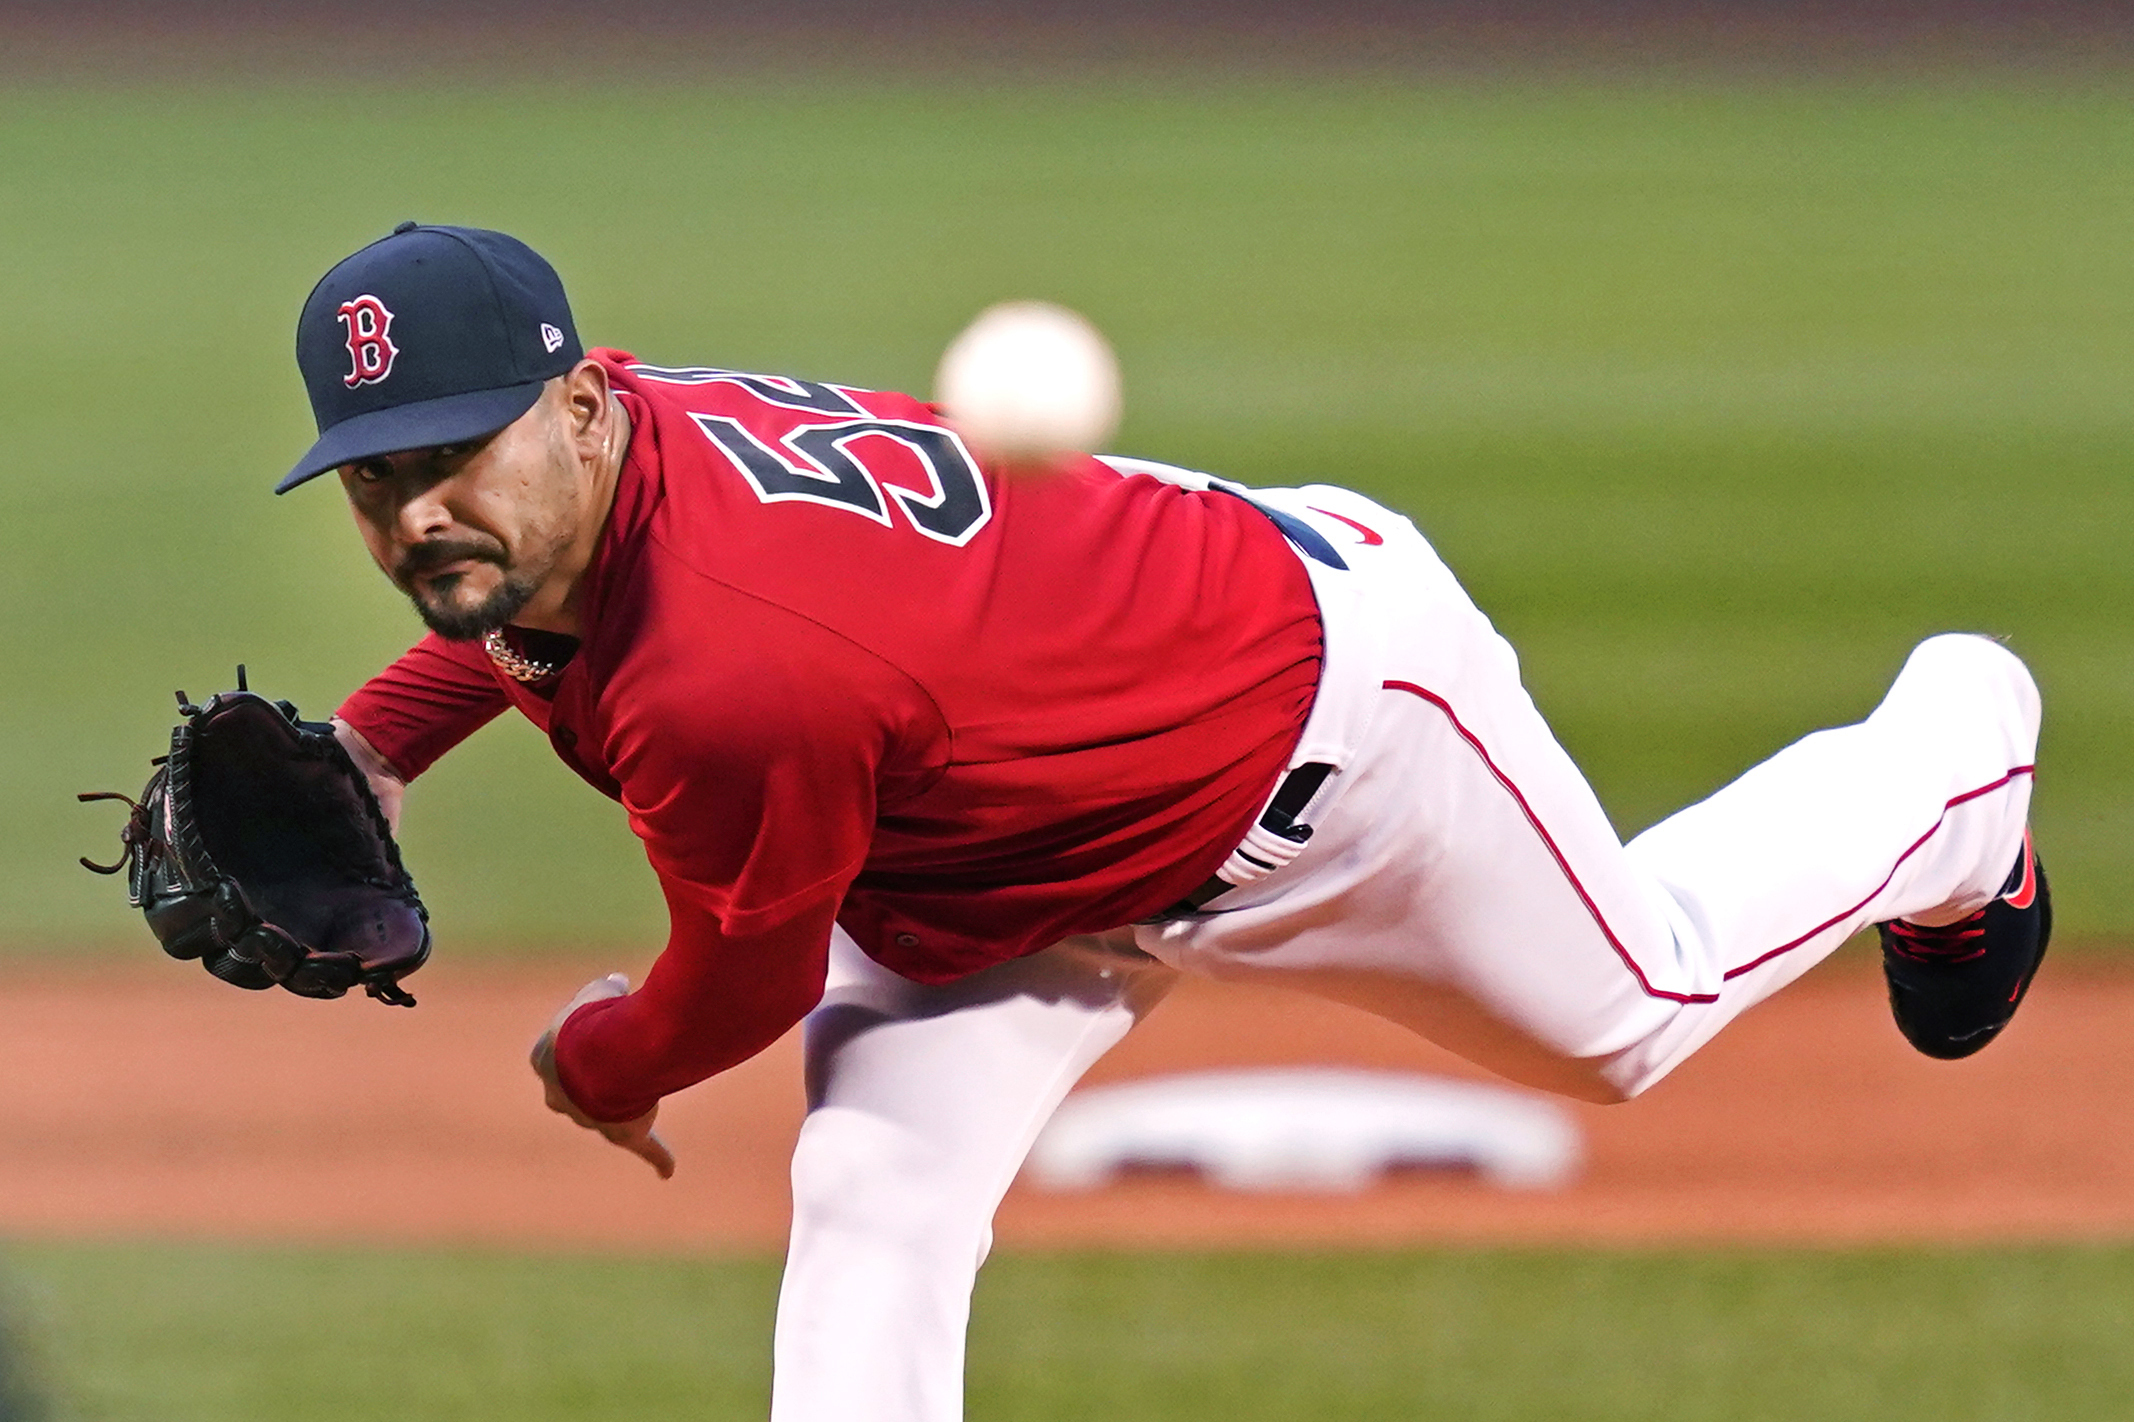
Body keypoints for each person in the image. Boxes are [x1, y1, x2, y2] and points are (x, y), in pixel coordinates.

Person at [286, 224, 2049, 1422]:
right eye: (379, 476)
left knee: (1634, 1016)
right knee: (872, 1193)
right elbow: (527, 616)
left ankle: (1958, 751)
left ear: (583, 403)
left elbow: (736, 981)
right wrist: (375, 746)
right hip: (1015, 838)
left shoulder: (739, 676)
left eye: (460, 453)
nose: (422, 508)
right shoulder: (618, 459)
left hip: (1330, 733)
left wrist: (595, 1060)